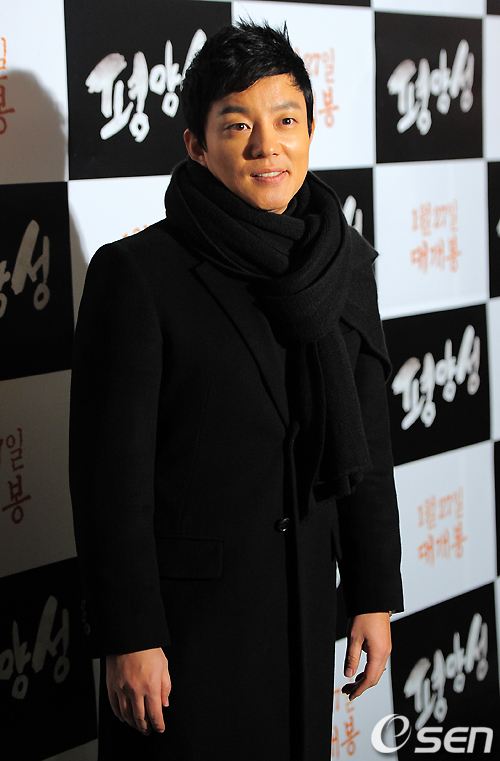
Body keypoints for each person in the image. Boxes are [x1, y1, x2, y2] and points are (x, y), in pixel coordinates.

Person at [69, 21, 403, 761]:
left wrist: (373, 591)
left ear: (309, 130)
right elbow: (108, 480)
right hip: (189, 636)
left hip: (304, 612)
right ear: (196, 144)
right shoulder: (138, 275)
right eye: (237, 125)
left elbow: (368, 440)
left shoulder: (343, 266)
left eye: (286, 120)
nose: (266, 146)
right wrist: (131, 634)